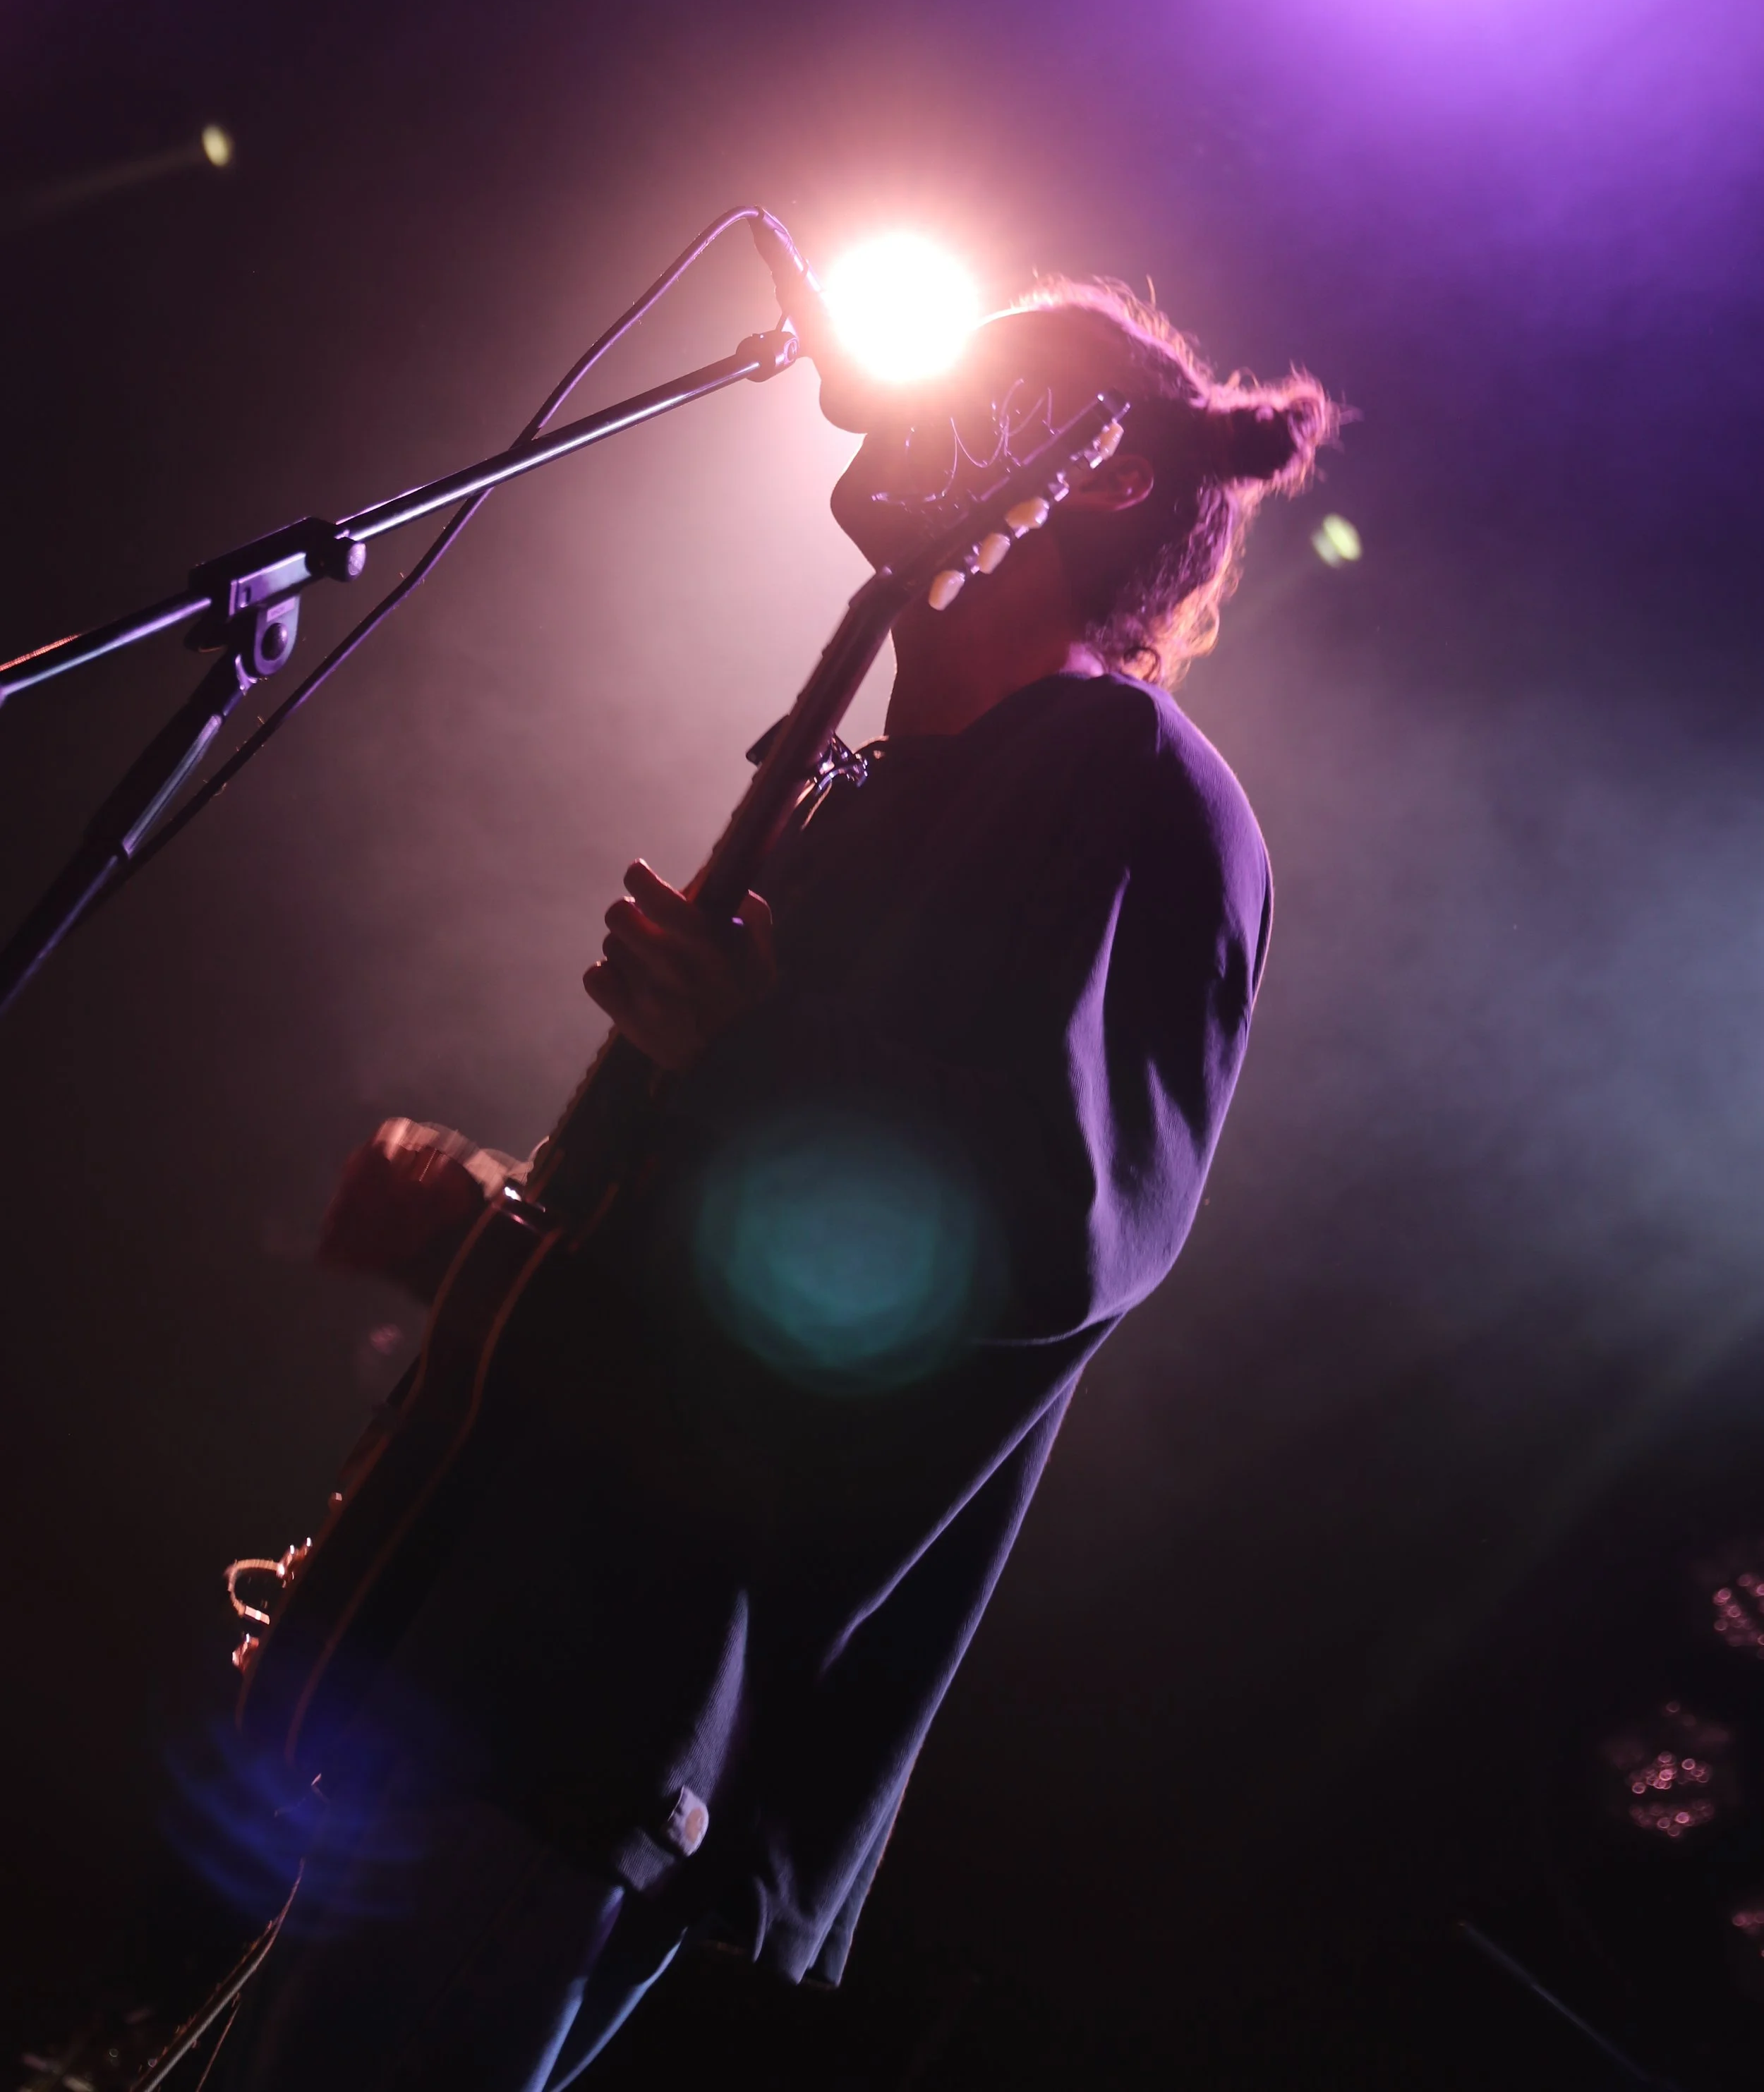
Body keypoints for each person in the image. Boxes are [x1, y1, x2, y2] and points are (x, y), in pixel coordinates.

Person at [202, 279, 1337, 2089]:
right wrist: (475, 1262)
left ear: (1103, 474)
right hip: (473, 1656)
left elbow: (1052, 1226)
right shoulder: (865, 787)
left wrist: (748, 1057)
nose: (914, 408)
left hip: (609, 1689)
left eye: (984, 384)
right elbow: (712, 1249)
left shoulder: (1131, 785)